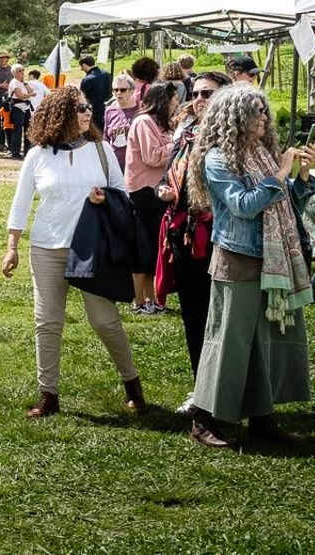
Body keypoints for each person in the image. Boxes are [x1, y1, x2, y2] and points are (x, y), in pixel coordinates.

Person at [186, 83, 315, 449]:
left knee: (264, 342)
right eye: (258, 111)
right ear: (237, 117)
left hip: (271, 259)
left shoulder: (260, 153)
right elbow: (244, 205)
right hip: (238, 258)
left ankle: (262, 419)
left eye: (264, 110)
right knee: (228, 341)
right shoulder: (217, 159)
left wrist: (301, 176)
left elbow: (287, 204)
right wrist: (281, 173)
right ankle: (202, 418)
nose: (265, 117)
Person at [3, 85, 143, 419]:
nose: (87, 112)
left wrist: (104, 198)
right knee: (47, 322)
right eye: (80, 107)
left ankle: (133, 385)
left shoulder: (101, 149)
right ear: (60, 113)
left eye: (88, 107)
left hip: (91, 249)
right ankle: (48, 396)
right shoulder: (38, 155)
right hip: (46, 247)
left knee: (105, 321)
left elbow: (122, 193)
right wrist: (11, 247)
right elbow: (21, 204)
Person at [156, 70, 230, 411]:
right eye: (196, 93)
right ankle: (201, 389)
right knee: (195, 316)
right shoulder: (187, 135)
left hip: (222, 239)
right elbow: (168, 175)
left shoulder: (233, 140)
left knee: (224, 318)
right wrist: (164, 189)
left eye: (208, 93)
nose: (199, 99)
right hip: (185, 238)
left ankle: (227, 389)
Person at [125, 82, 179, 315]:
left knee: (153, 245)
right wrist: (178, 143)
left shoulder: (158, 124)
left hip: (155, 189)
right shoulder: (143, 122)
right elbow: (152, 157)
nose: (177, 103)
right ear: (163, 101)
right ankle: (138, 300)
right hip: (144, 190)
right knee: (143, 245)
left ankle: (151, 299)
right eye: (174, 99)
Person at [104, 73, 139, 170]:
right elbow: (106, 138)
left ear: (131, 91)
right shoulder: (109, 111)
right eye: (115, 90)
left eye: (123, 90)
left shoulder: (141, 111)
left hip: (135, 166)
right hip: (116, 164)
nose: (119, 93)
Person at [5, 65, 35, 159]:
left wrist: (25, 84)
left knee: (28, 130)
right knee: (17, 131)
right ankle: (15, 152)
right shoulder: (14, 82)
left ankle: (28, 152)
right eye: (19, 71)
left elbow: (31, 91)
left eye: (23, 70)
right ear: (14, 73)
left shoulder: (22, 82)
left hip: (26, 108)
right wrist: (30, 95)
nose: (22, 72)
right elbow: (20, 95)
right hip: (17, 108)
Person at [79, 55, 112, 134]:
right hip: (108, 110)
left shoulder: (87, 80)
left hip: (94, 114)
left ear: (84, 65)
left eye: (81, 67)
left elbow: (82, 98)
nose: (81, 69)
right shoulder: (107, 74)